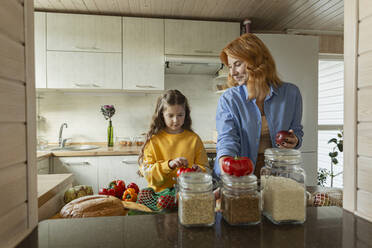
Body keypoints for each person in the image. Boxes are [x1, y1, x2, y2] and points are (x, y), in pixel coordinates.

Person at [215, 33, 304, 178]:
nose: (232, 72)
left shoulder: (291, 94)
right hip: (240, 172)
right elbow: (227, 139)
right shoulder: (229, 98)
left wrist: (295, 140)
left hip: (278, 173)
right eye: (230, 66)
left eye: (237, 64)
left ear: (255, 61)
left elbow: (297, 132)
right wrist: (226, 165)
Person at [138, 89, 209, 192]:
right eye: (170, 115)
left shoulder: (194, 139)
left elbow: (206, 169)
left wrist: (200, 171)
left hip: (188, 194)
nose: (175, 120)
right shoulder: (153, 140)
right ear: (162, 114)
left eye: (180, 115)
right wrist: (169, 165)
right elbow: (147, 173)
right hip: (160, 198)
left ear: (186, 114)